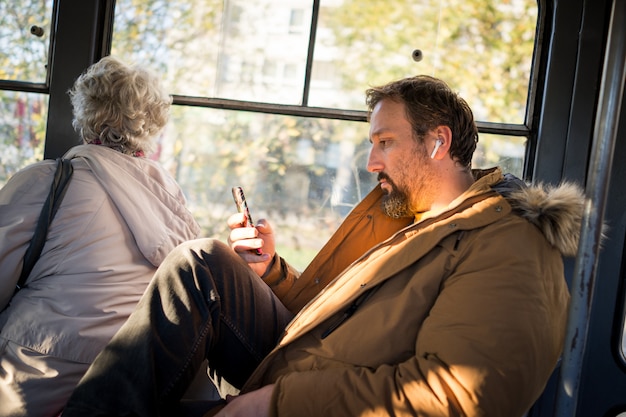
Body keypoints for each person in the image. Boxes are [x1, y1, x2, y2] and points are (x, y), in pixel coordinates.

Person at [62, 75, 583, 417]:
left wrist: (277, 403)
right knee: (201, 263)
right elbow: (336, 314)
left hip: (321, 396)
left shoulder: (509, 242)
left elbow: (463, 396)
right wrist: (270, 272)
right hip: (312, 364)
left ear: (437, 142)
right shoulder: (412, 215)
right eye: (370, 143)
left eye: (384, 142)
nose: (370, 162)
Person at [0, 56, 201, 417]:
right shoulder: (170, 196)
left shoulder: (45, 182)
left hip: (36, 370)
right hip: (132, 374)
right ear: (153, 123)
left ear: (85, 112)